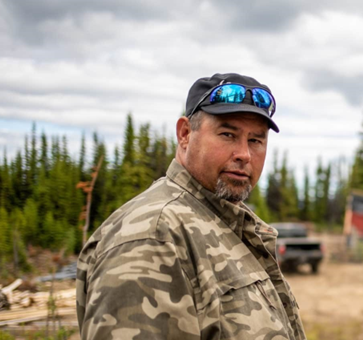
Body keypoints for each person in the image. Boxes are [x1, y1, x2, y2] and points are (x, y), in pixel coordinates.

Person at [76, 73, 307, 339]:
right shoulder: (152, 237)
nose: (244, 154)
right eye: (228, 134)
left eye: (255, 140)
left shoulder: (226, 222)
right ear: (185, 134)